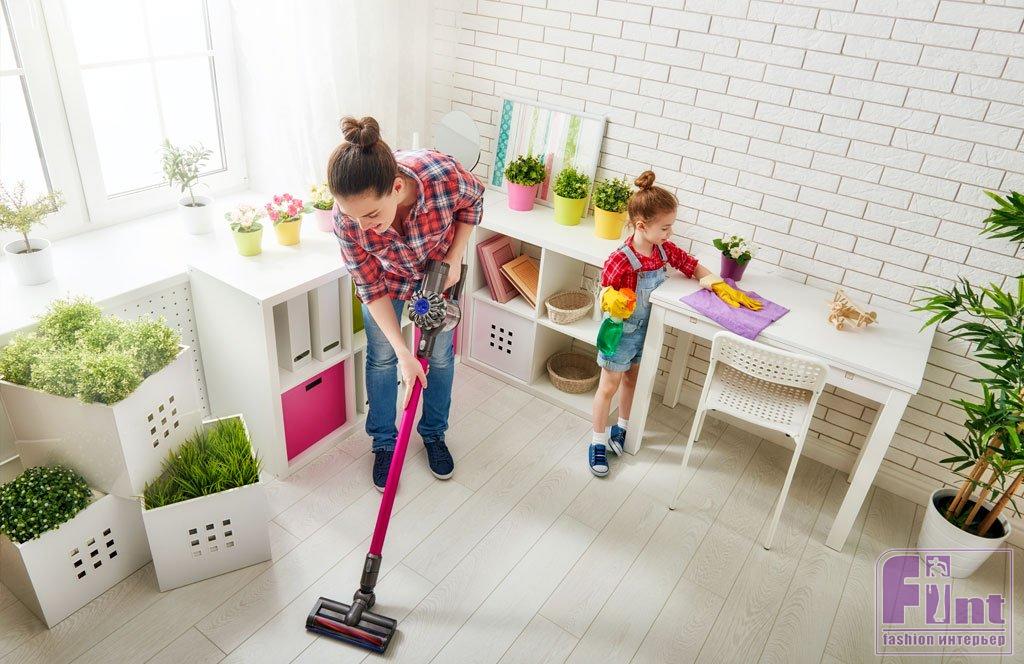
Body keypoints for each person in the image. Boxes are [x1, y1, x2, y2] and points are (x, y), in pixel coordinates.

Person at [328, 116, 484, 490]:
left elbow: (473, 201)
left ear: (397, 187)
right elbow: (369, 288)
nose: (362, 227)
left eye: (371, 214)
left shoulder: (441, 175)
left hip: (436, 276)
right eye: (352, 216)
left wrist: (455, 256)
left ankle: (433, 433)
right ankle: (384, 443)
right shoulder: (347, 222)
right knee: (383, 356)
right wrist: (403, 353)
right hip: (387, 283)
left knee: (440, 358)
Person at [589, 170, 762, 476]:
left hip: (646, 331)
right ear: (641, 226)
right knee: (608, 387)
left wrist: (715, 282)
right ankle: (597, 441)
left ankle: (622, 428)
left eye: (671, 227)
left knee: (632, 381)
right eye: (665, 228)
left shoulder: (662, 250)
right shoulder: (621, 258)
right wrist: (610, 297)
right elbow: (603, 288)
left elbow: (690, 264)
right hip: (620, 333)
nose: (670, 233)